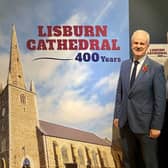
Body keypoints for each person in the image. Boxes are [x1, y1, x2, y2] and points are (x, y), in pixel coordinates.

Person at [113, 30, 166, 168]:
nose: (138, 46)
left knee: (150, 163)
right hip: (125, 123)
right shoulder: (124, 65)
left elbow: (160, 100)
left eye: (142, 43)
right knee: (128, 161)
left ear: (147, 46)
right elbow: (120, 93)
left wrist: (156, 126)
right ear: (131, 45)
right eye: (136, 43)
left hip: (146, 126)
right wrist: (117, 115)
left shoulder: (156, 68)